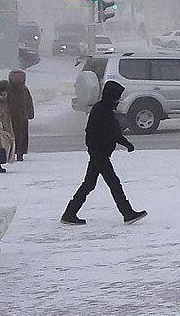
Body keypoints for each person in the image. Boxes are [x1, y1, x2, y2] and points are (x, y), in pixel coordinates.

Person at [62, 81, 145, 223]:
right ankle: (127, 213)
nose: (118, 100)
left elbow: (113, 133)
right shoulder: (102, 109)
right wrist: (94, 151)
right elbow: (92, 132)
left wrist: (126, 144)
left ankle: (69, 214)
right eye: (117, 96)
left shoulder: (106, 109)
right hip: (99, 154)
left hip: (100, 153)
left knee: (89, 184)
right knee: (113, 183)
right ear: (112, 95)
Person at [6, 69, 34, 157]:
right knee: (22, 134)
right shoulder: (24, 89)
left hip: (9, 116)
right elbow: (29, 102)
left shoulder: (7, 89)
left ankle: (11, 151)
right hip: (22, 115)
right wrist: (30, 113)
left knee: (11, 134)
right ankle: (20, 152)